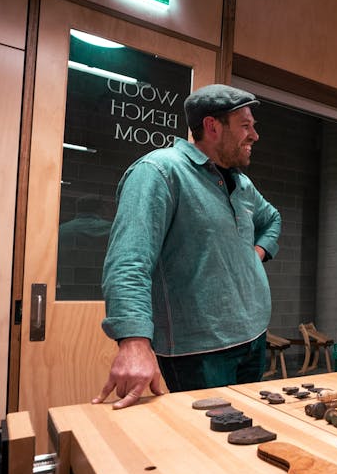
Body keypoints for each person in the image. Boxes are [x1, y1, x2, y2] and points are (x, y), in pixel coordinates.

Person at [94, 84, 281, 409]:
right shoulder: (158, 172)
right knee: (206, 448)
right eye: (246, 126)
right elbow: (128, 261)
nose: (255, 136)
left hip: (254, 337)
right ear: (212, 126)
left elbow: (272, 219)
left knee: (247, 439)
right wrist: (134, 341)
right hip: (199, 352)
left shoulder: (242, 184)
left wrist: (256, 255)